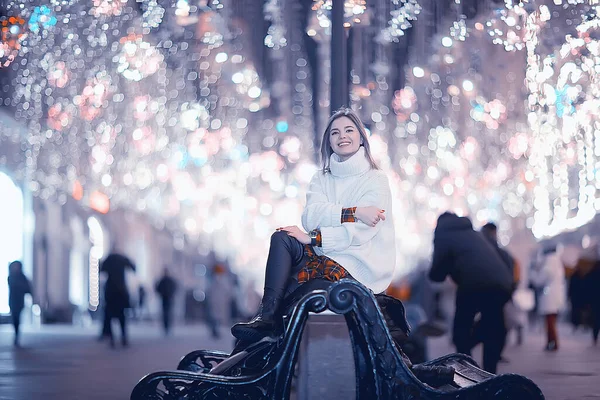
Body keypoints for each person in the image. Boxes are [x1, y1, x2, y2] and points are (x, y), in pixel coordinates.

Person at [231, 107, 396, 343]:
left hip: (356, 266)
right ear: (328, 141)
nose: (342, 137)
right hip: (323, 255)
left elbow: (358, 233)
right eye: (335, 133)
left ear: (361, 137)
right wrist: (355, 211)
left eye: (349, 130)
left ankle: (269, 338)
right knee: (282, 238)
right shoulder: (321, 177)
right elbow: (311, 217)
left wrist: (315, 238)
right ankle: (266, 317)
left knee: (303, 295)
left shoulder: (375, 179)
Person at [429, 212, 513, 374]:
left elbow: (437, 273)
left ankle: (467, 370)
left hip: (473, 283)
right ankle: (490, 374)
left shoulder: (443, 233)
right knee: (493, 327)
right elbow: (503, 254)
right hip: (502, 283)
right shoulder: (474, 233)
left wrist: (440, 272)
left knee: (461, 328)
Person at [529, 246, 566, 351]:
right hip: (555, 297)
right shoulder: (557, 263)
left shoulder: (549, 265)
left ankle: (553, 343)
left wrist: (532, 274)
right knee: (551, 321)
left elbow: (539, 280)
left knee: (550, 322)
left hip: (549, 298)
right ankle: (551, 342)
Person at [99, 252, 136, 348]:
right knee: (122, 316)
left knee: (110, 315)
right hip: (121, 290)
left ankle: (112, 339)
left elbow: (101, 270)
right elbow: (133, 267)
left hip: (110, 290)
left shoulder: (109, 259)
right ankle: (124, 338)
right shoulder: (123, 258)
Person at [8, 261, 31, 348]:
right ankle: (16, 335)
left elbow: (28, 289)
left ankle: (17, 335)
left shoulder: (22, 277)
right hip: (12, 301)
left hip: (19, 302)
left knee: (17, 318)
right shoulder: (11, 277)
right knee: (14, 318)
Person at [155, 267, 178, 335]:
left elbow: (175, 287)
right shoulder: (163, 280)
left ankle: (168, 328)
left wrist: (171, 294)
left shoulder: (169, 280)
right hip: (164, 298)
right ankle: (166, 328)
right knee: (165, 313)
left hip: (169, 298)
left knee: (168, 313)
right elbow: (157, 288)